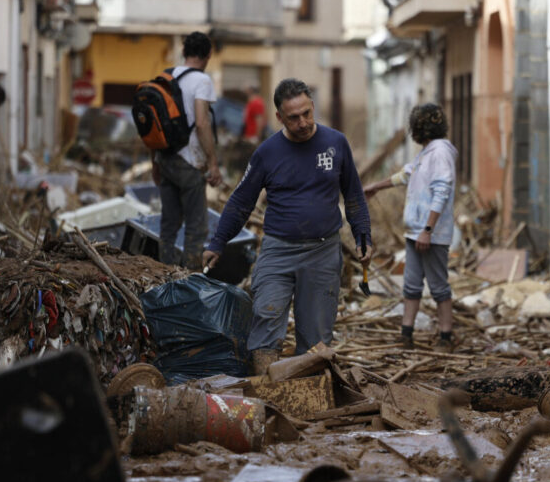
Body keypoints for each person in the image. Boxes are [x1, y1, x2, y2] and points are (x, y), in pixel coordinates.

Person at [203, 78, 372, 374]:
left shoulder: (335, 144)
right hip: (278, 250)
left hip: (323, 252)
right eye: (293, 117)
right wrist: (218, 242)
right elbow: (241, 201)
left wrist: (363, 235)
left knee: (316, 338)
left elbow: (354, 195)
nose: (303, 122)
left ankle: (308, 404)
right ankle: (267, 394)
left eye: (307, 113)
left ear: (313, 107)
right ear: (279, 117)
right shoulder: (267, 153)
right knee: (266, 316)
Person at [364, 103, 457, 352]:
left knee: (438, 286)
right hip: (416, 231)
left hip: (430, 234)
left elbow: (442, 192)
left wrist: (428, 230)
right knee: (411, 285)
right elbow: (406, 175)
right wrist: (375, 187)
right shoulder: (427, 153)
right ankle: (406, 335)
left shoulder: (440, 153)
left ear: (417, 128)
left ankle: (446, 338)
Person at [151, 31, 222, 270]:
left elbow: (155, 126)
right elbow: (202, 123)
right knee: (196, 227)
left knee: (168, 224)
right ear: (208, 55)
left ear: (183, 52)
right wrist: (212, 163)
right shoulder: (201, 81)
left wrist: (155, 164)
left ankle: (164, 276)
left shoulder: (165, 77)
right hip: (189, 162)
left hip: (165, 159)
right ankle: (189, 281)